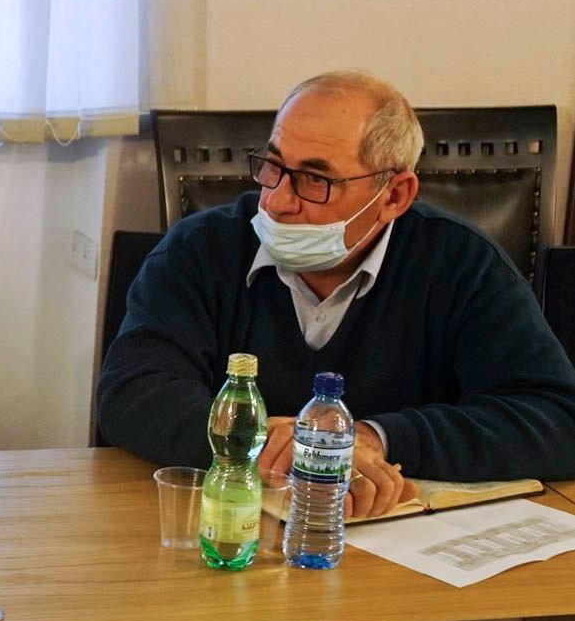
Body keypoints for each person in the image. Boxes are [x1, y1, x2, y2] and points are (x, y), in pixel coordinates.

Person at [98, 71, 575, 516]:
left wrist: (375, 438)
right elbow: (132, 393)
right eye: (272, 166)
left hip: (399, 540)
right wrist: (261, 440)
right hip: (232, 529)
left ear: (394, 196)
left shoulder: (463, 264)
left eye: (315, 180)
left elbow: (559, 418)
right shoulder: (200, 249)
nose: (277, 201)